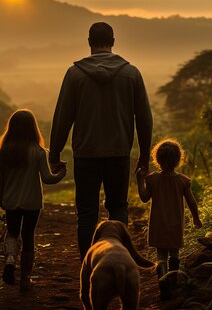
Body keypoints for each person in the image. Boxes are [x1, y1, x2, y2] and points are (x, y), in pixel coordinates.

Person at [49, 22, 153, 260]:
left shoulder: (74, 74)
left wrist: (53, 156)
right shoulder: (131, 73)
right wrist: (144, 156)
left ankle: (90, 264)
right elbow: (145, 119)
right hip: (119, 153)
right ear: (113, 42)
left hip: (85, 155)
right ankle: (118, 257)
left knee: (86, 213)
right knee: (118, 207)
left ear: (89, 42)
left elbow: (62, 118)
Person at [0, 109, 66, 291]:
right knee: (28, 237)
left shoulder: (4, 152)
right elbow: (48, 179)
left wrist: (2, 199)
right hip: (32, 203)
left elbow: (0, 181)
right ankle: (25, 280)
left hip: (11, 201)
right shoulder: (39, 152)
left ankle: (10, 260)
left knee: (12, 233)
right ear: (33, 128)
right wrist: (62, 173)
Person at [136, 138, 202, 284]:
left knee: (161, 255)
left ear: (157, 160)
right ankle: (172, 278)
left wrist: (140, 180)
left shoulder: (152, 179)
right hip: (175, 225)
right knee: (174, 252)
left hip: (158, 225)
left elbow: (144, 197)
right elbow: (191, 202)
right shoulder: (183, 181)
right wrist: (196, 218)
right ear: (178, 160)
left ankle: (162, 274)